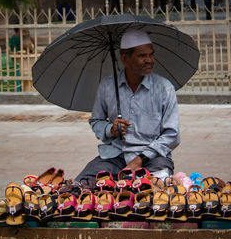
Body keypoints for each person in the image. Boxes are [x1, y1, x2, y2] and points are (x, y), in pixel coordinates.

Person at [76, 30, 180, 182]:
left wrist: (139, 160)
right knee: (82, 185)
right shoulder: (107, 86)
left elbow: (172, 135)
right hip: (115, 156)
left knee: (156, 188)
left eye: (151, 54)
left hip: (152, 157)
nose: (150, 60)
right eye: (142, 56)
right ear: (125, 59)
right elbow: (96, 120)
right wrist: (110, 129)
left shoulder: (164, 88)